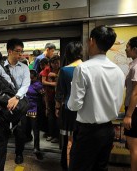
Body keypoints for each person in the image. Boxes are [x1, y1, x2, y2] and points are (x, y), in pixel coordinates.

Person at [67, 25, 125, 171]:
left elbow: (74, 105)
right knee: (100, 167)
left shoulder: (83, 68)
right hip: (108, 129)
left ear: (91, 41)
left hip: (87, 131)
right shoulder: (118, 71)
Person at [0, 38, 30, 170]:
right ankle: (0, 168)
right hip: (4, 107)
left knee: (20, 134)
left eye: (22, 51)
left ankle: (19, 153)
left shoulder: (25, 68)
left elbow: (26, 85)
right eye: (17, 51)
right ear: (9, 51)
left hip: (20, 107)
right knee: (1, 140)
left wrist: (17, 97)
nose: (20, 54)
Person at [54, 41, 83, 169]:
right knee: (80, 140)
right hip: (84, 110)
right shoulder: (87, 67)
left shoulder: (65, 70)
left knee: (69, 141)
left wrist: (57, 108)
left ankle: (68, 166)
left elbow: (60, 93)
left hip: (69, 109)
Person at [123, 36, 137, 171]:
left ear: (135, 49)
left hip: (135, 110)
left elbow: (136, 92)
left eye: (128, 46)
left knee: (134, 148)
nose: (126, 49)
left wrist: (129, 115)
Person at [25, 69, 44, 160]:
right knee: (25, 127)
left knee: (35, 129)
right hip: (25, 108)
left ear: (35, 77)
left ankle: (36, 147)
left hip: (34, 109)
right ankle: (26, 139)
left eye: (32, 78)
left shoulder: (38, 85)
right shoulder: (25, 83)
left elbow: (43, 97)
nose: (30, 80)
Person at [42, 55, 60, 143]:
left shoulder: (61, 70)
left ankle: (57, 136)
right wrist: (53, 83)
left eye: (57, 63)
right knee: (50, 116)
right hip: (49, 96)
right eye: (54, 63)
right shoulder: (47, 69)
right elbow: (43, 81)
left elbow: (59, 83)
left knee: (58, 117)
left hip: (59, 97)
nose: (56, 65)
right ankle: (51, 134)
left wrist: (55, 76)